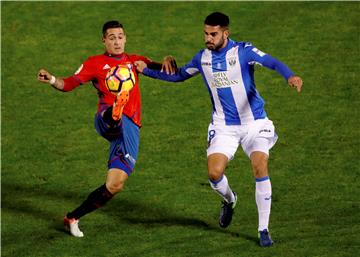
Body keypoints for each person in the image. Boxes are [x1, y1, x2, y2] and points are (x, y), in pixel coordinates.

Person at [135, 12, 303, 247]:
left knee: (259, 165)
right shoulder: (202, 59)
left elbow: (272, 62)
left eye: (213, 34)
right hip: (223, 126)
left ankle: (263, 229)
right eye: (205, 33)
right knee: (214, 174)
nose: (208, 38)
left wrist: (290, 76)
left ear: (225, 33)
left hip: (254, 123)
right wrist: (146, 71)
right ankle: (230, 199)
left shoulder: (243, 51)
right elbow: (180, 76)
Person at [37, 20, 176, 237]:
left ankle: (72, 217)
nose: (117, 41)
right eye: (112, 38)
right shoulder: (94, 63)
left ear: (125, 38)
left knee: (115, 185)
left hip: (130, 129)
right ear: (104, 40)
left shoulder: (134, 60)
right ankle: (115, 111)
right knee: (113, 117)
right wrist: (52, 79)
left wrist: (166, 61)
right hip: (106, 120)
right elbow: (69, 83)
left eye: (120, 37)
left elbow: (165, 69)